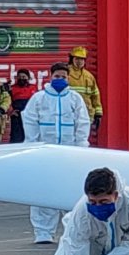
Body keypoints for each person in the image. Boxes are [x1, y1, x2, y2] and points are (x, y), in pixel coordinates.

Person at [24, 63, 92, 244]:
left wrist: (81, 147)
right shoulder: (39, 99)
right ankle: (43, 232)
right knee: (43, 192)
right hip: (45, 154)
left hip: (69, 154)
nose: (60, 80)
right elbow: (30, 121)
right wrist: (33, 146)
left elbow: (82, 123)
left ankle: (72, 229)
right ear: (50, 77)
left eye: (63, 77)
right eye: (57, 77)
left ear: (68, 78)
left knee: (70, 191)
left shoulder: (75, 99)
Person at [67, 47, 103, 144]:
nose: (80, 61)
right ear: (72, 59)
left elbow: (95, 95)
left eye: (82, 59)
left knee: (82, 141)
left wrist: (98, 113)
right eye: (77, 59)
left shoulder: (88, 76)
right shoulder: (66, 74)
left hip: (86, 115)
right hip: (69, 115)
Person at [8, 68, 36, 144]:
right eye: (19, 77)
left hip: (29, 116)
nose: (21, 79)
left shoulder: (33, 88)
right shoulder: (12, 88)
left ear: (28, 78)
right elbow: (7, 101)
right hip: (17, 116)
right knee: (16, 138)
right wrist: (11, 111)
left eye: (24, 77)